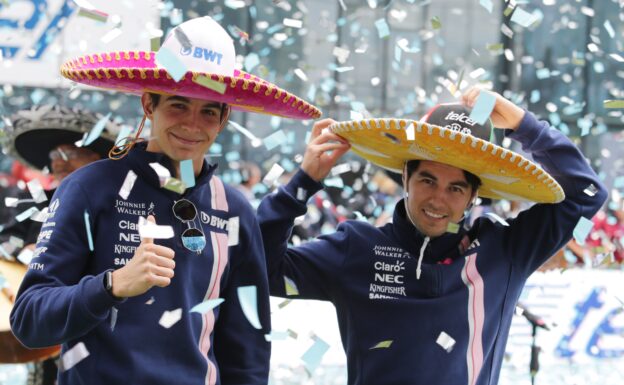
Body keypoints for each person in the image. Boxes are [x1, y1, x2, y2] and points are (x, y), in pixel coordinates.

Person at [10, 16, 320, 385]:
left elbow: (247, 348)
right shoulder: (89, 188)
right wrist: (112, 285)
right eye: (178, 105)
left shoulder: (233, 209)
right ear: (148, 104)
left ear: (224, 118)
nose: (192, 124)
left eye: (208, 110)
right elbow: (29, 321)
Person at [257, 87, 607, 385]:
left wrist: (524, 126)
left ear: (474, 197)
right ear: (406, 178)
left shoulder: (506, 251)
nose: (439, 199)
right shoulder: (357, 248)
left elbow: (589, 193)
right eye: (428, 181)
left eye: (456, 188)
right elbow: (261, 270)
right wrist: (302, 182)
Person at [0, 105, 117, 385]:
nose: (59, 163)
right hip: (40, 310)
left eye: (69, 154)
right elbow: (5, 239)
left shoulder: (115, 204)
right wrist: (22, 250)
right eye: (55, 156)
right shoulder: (36, 199)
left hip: (92, 314)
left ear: (95, 158)